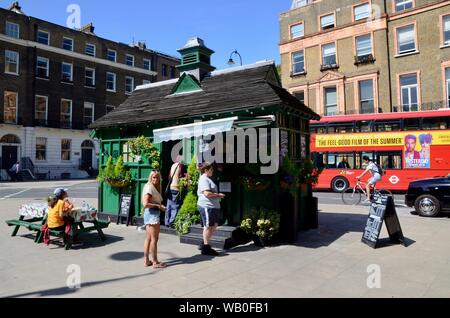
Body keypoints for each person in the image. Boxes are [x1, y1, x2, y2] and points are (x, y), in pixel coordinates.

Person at [197, 162, 225, 256]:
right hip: (207, 205)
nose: (213, 171)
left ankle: (205, 242)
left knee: (214, 225)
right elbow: (207, 193)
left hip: (212, 206)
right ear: (206, 170)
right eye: (211, 169)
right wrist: (219, 195)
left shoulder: (207, 179)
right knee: (208, 226)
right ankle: (206, 247)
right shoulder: (204, 179)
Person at [142, 171, 167, 268]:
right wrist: (159, 206)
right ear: (150, 177)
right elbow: (145, 203)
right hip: (152, 214)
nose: (155, 180)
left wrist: (159, 206)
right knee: (154, 239)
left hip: (149, 213)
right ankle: (155, 262)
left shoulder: (150, 186)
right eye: (153, 177)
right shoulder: (149, 187)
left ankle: (146, 261)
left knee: (148, 238)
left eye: (157, 178)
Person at [165, 155, 183, 228]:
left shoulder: (173, 165)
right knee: (175, 205)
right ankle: (171, 222)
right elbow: (180, 176)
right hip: (176, 187)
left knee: (169, 205)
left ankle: (166, 221)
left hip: (171, 187)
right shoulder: (180, 166)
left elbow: (169, 176)